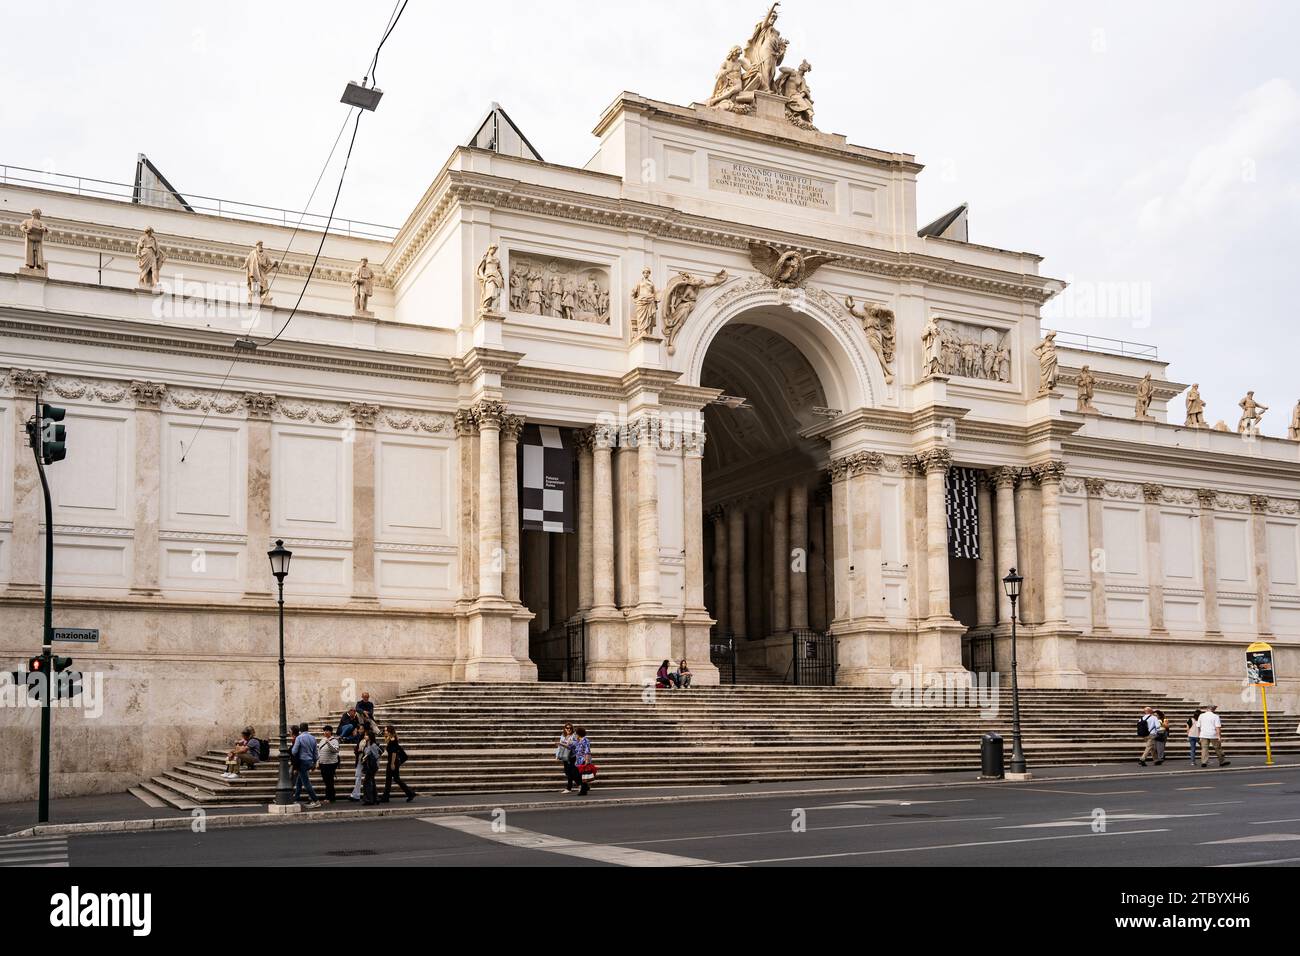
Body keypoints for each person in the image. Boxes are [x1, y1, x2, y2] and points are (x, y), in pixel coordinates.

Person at [381, 725, 417, 803]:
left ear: (390, 732)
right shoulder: (391, 739)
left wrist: (392, 764)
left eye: (386, 730)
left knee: (390, 779)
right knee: (395, 779)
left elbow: (394, 753)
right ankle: (410, 793)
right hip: (393, 761)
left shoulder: (393, 740)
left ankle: (386, 797)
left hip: (393, 761)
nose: (384, 732)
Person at [290, 723, 322, 809]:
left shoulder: (299, 738)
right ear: (307, 728)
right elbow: (315, 752)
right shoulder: (312, 738)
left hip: (302, 761)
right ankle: (295, 798)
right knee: (299, 781)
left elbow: (294, 751)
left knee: (306, 782)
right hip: (310, 761)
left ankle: (316, 801)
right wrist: (315, 763)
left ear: (300, 729)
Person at [317, 725, 341, 803]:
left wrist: (329, 743)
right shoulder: (322, 740)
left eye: (327, 731)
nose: (325, 732)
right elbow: (319, 751)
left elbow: (335, 750)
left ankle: (330, 797)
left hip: (331, 763)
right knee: (326, 780)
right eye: (324, 731)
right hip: (323, 763)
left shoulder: (334, 740)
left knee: (329, 781)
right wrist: (318, 762)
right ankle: (330, 796)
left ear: (331, 732)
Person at [361, 731, 383, 805]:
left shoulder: (373, 745)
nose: (365, 736)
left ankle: (369, 800)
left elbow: (376, 756)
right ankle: (375, 798)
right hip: (369, 766)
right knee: (371, 782)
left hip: (372, 767)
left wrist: (367, 756)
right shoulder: (367, 744)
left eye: (366, 735)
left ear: (370, 736)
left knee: (366, 783)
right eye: (365, 735)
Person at [557, 722, 578, 794]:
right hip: (565, 756)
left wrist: (568, 743)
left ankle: (569, 787)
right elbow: (560, 746)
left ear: (572, 729)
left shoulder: (574, 736)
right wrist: (557, 755)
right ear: (565, 729)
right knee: (567, 771)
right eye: (567, 728)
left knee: (572, 772)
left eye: (570, 728)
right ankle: (582, 785)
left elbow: (574, 745)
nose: (568, 729)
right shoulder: (563, 736)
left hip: (572, 756)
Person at [573, 727, 592, 797]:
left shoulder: (585, 740)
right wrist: (561, 744)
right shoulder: (578, 741)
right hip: (578, 760)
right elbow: (571, 746)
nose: (575, 734)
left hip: (583, 760)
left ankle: (583, 790)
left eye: (576, 733)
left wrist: (586, 760)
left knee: (582, 775)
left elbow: (587, 751)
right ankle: (585, 787)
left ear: (579, 733)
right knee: (576, 774)